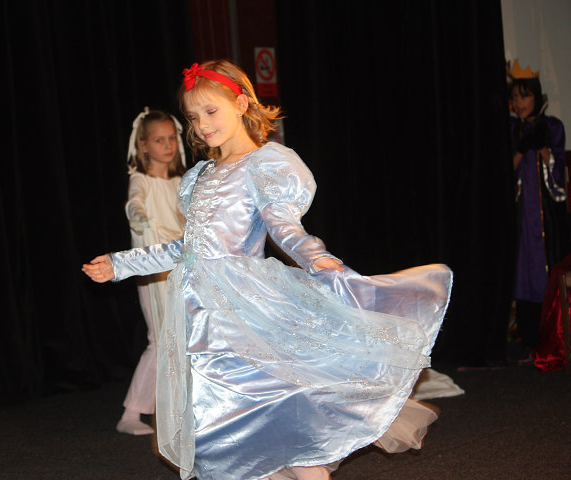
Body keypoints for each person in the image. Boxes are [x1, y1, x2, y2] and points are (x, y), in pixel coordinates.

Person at [83, 60, 452, 480]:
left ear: (241, 104)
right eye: (194, 117)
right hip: (203, 319)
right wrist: (121, 263)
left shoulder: (263, 165)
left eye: (211, 111)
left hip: (246, 307)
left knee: (283, 412)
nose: (202, 125)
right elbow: (187, 249)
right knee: (231, 425)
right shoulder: (199, 177)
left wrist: (314, 256)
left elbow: (284, 227)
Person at [116, 108, 186, 435]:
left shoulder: (181, 182)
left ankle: (180, 408)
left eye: (171, 138)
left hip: (182, 267)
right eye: (159, 140)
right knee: (160, 339)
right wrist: (137, 215)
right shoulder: (140, 179)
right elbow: (135, 202)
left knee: (184, 338)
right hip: (154, 269)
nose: (168, 145)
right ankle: (131, 413)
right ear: (143, 145)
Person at [507, 60, 568, 360]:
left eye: (525, 96)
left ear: (537, 96)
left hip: (546, 221)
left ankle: (551, 341)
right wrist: (521, 148)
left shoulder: (553, 127)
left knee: (545, 273)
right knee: (523, 274)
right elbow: (505, 173)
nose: (519, 103)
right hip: (521, 218)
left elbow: (558, 177)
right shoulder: (511, 128)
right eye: (515, 97)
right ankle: (527, 341)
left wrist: (542, 147)